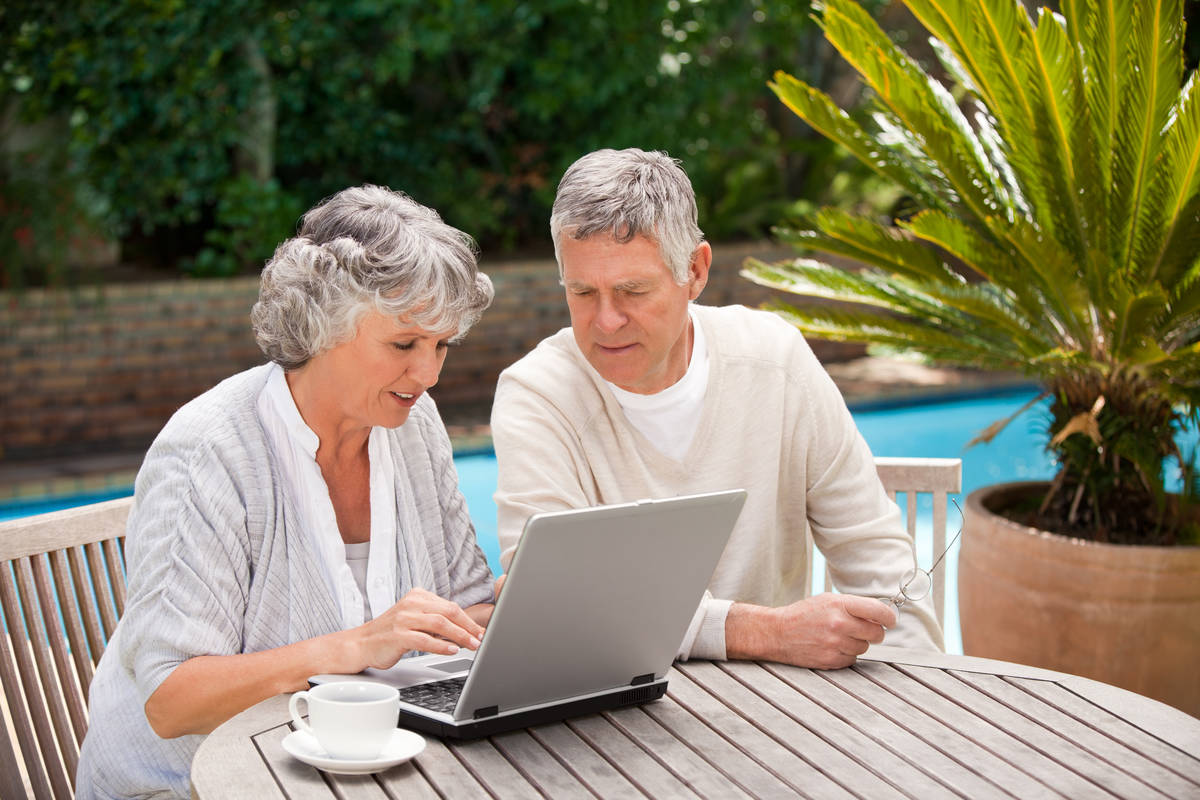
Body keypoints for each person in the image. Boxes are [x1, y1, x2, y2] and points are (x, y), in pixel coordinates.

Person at [77, 185, 497, 798]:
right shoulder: (210, 450)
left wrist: (511, 615)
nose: (428, 374)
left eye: (442, 346)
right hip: (191, 787)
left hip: (351, 774)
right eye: (404, 344)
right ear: (323, 324)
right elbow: (171, 702)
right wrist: (355, 645)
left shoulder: (413, 424)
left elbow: (464, 609)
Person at [491, 148, 943, 670]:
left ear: (696, 271)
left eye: (633, 290)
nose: (605, 320)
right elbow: (552, 603)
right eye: (582, 291)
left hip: (784, 712)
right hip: (608, 722)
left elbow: (878, 562)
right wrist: (764, 632)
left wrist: (928, 700)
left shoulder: (776, 360)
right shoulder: (537, 395)